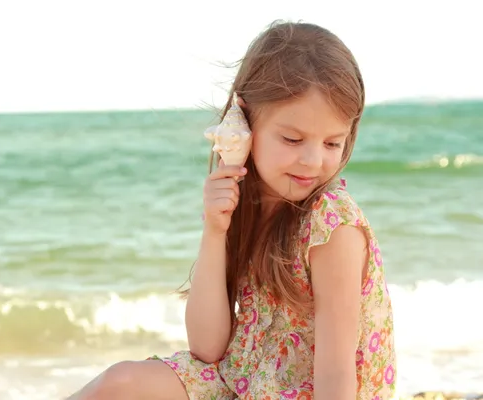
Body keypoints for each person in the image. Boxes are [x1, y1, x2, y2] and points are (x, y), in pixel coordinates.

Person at [67, 20, 396, 400]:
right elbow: (207, 349)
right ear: (245, 118)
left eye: (332, 143)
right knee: (119, 383)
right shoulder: (247, 199)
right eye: (292, 139)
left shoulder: (332, 225)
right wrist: (215, 230)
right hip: (239, 381)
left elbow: (336, 376)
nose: (312, 160)